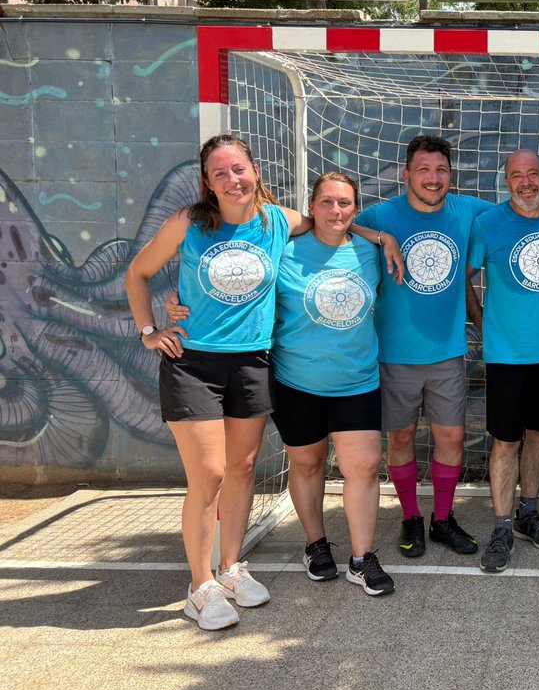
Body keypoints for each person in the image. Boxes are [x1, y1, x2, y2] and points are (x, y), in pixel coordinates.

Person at [125, 135, 398, 630]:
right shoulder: (188, 223)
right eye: (220, 172)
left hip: (252, 362)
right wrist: (150, 330)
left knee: (243, 466)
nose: (232, 179)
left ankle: (231, 568)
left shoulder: (277, 221)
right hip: (194, 362)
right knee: (208, 472)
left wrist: (381, 236)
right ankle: (200, 585)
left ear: (255, 171)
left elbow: (329, 221)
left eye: (239, 169)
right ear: (207, 182)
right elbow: (137, 273)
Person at [355, 135, 492, 560]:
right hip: (395, 354)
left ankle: (443, 519)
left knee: (450, 435)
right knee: (400, 439)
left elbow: (521, 213)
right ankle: (411, 516)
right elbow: (335, 224)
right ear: (407, 174)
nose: (433, 179)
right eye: (424, 170)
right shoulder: (382, 214)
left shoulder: (467, 210)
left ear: (450, 174)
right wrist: (382, 237)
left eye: (441, 170)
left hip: (448, 352)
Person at [466, 149, 539, 572]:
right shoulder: (488, 224)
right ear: (506, 182)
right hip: (507, 354)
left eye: (534, 174)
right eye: (517, 175)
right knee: (505, 440)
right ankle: (500, 526)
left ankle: (527, 513)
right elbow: (466, 276)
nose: (526, 183)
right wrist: (480, 321)